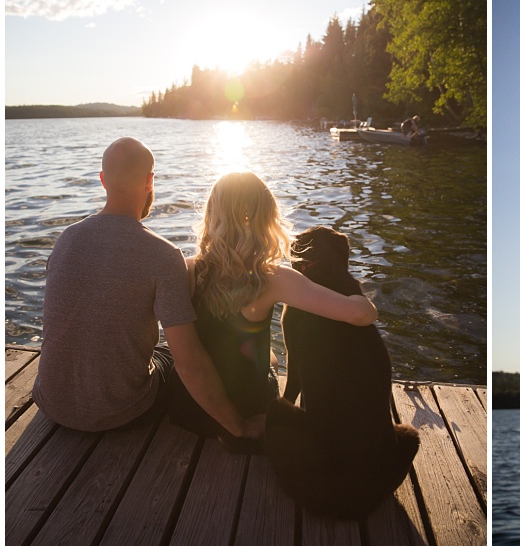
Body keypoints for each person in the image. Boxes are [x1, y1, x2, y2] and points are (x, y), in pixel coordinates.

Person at [34, 137, 254, 441]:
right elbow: (191, 364)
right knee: (178, 356)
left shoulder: (66, 239)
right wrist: (240, 428)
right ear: (150, 181)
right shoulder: (162, 254)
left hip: (50, 403)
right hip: (121, 413)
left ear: (102, 181)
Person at [181, 171, 377, 430]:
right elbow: (362, 314)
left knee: (269, 356)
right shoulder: (273, 278)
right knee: (269, 363)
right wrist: (355, 293)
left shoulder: (187, 269)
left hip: (190, 408)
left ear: (212, 214)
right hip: (246, 408)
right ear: (264, 219)